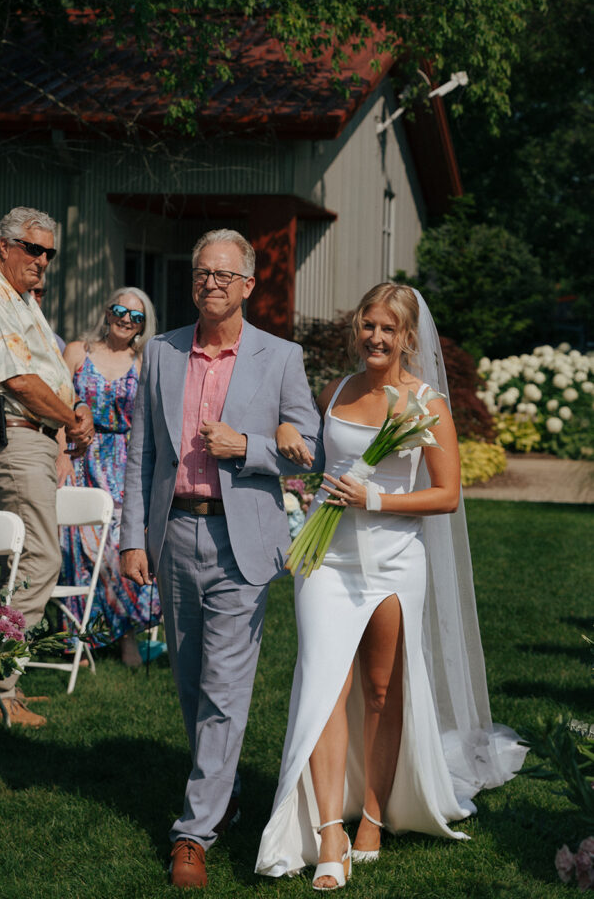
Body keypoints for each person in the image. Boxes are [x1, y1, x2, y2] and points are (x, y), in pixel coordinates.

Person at [256, 283, 526, 889]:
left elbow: (448, 494)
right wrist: (290, 448)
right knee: (324, 689)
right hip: (326, 561)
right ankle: (329, 834)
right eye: (367, 326)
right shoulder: (337, 391)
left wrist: (375, 498)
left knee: (380, 692)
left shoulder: (426, 405)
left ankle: (374, 813)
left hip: (396, 562)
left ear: (408, 338)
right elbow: (323, 467)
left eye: (387, 329)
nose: (375, 338)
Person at [119, 228, 323, 888]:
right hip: (173, 534)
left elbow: (310, 445)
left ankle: (192, 835)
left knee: (224, 690)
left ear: (246, 284)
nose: (209, 282)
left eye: (222, 274)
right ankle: (223, 790)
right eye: (201, 272)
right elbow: (140, 452)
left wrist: (249, 448)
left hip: (243, 541)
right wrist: (130, 536)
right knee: (189, 682)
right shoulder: (161, 351)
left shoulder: (280, 357)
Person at [0, 206, 94, 727]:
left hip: (34, 435)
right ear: (4, 244)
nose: (43, 261)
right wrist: (71, 423)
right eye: (33, 249)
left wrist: (73, 410)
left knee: (21, 566)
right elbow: (17, 381)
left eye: (49, 252)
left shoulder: (13, 296)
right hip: (15, 438)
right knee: (40, 561)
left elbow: (44, 373)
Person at [58, 287, 162, 667]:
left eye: (137, 316)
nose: (126, 319)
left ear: (143, 326)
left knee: (121, 552)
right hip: (77, 457)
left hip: (121, 463)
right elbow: (56, 402)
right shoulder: (76, 352)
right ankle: (77, 640)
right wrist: (60, 455)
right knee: (76, 551)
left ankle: (127, 638)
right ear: (106, 311)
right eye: (120, 310)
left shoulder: (143, 362)